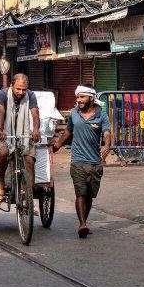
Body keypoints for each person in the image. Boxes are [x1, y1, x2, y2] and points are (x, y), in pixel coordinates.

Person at [52, 85, 111, 239]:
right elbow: (68, 131)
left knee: (89, 195)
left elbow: (106, 133)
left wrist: (107, 145)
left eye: (82, 97)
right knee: (80, 193)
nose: (79, 100)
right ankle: (82, 224)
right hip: (77, 161)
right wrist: (57, 145)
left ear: (91, 98)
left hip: (95, 163)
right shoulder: (73, 114)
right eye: (77, 97)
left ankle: (85, 220)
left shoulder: (101, 115)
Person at [0, 73, 41, 203]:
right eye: (18, 89)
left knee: (30, 160)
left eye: (24, 89)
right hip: (5, 132)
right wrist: (0, 129)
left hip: (24, 134)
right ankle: (1, 181)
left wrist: (36, 129)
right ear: (11, 85)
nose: (21, 92)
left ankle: (28, 198)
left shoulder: (30, 95)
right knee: (3, 153)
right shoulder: (2, 94)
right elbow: (0, 112)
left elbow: (35, 113)